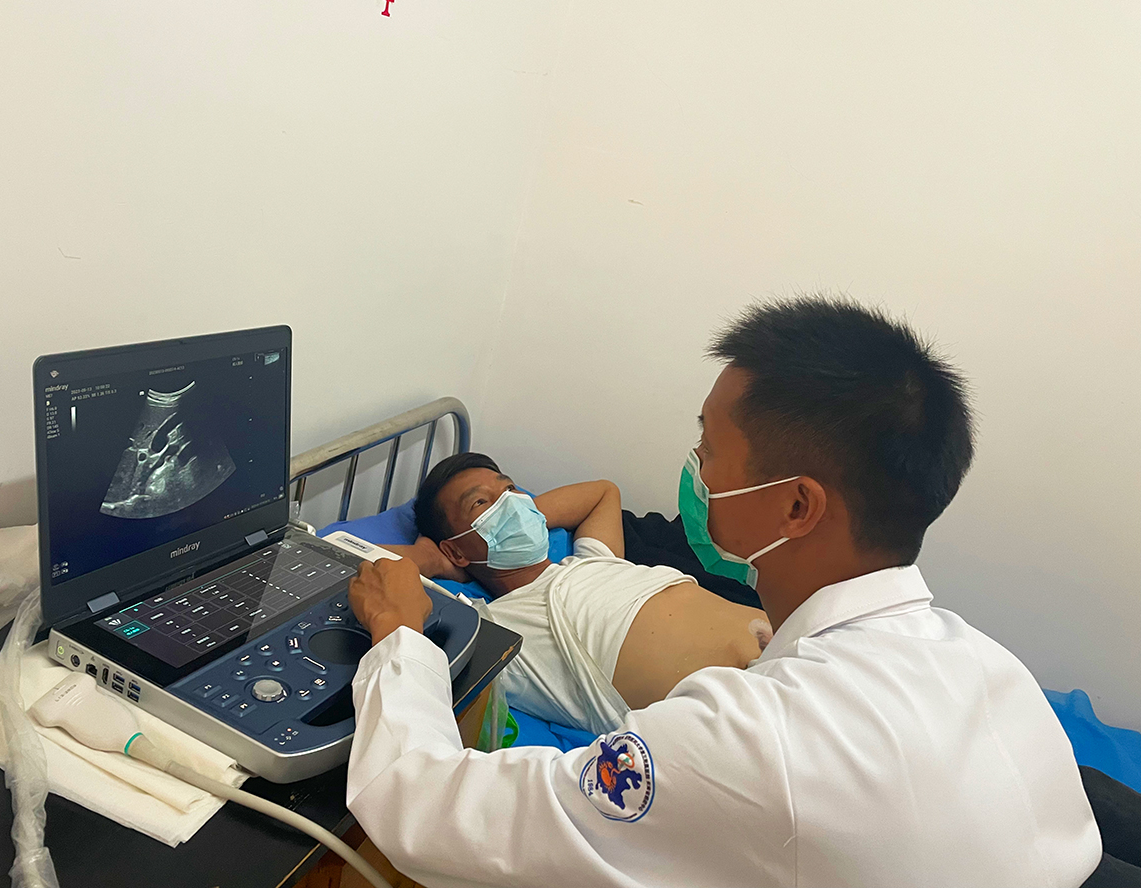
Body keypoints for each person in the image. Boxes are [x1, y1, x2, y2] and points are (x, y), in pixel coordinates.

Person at [344, 297, 1102, 887]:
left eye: (708, 448)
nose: (695, 470)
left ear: (796, 507)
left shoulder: (748, 743)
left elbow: (423, 809)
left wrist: (401, 637)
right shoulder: (986, 664)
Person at [386, 454, 771, 734]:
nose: (511, 503)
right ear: (454, 548)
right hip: (749, 714)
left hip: (788, 647)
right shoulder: (496, 630)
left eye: (510, 490)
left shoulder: (592, 559)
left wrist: (523, 514)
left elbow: (603, 493)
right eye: (482, 502)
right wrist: (430, 559)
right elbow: (368, 568)